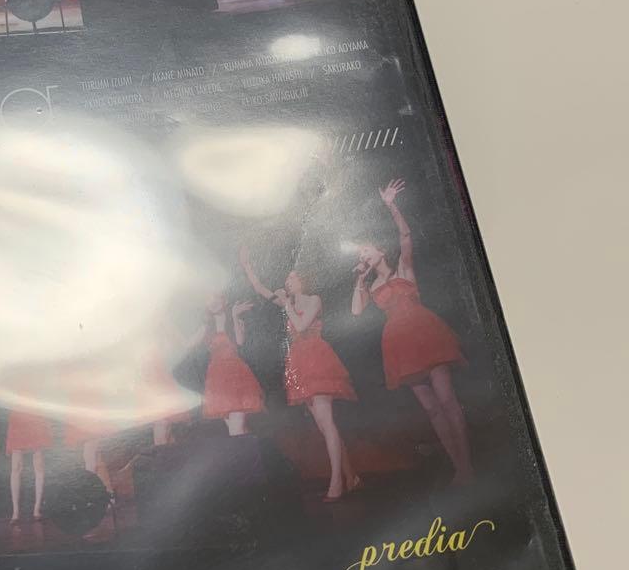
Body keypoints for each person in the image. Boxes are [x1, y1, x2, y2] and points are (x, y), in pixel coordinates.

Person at [351, 179, 472, 484]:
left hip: (424, 332)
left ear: (380, 250)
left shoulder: (403, 269)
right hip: (399, 344)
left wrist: (391, 206)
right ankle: (458, 466)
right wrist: (359, 280)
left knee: (446, 399)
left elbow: (405, 236)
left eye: (366, 250)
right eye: (360, 254)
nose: (363, 255)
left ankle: (467, 464)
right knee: (431, 409)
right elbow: (356, 311)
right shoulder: (371, 285)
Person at [240, 250, 361, 500]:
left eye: (293, 278)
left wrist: (286, 305)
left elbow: (302, 326)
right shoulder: (289, 303)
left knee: (327, 423)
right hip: (299, 364)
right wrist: (247, 267)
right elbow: (261, 289)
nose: (288, 281)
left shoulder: (313, 299)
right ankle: (351, 477)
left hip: (318, 360)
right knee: (324, 426)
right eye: (287, 279)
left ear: (303, 281)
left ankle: (337, 483)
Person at [198, 292, 264, 435]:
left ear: (224, 300)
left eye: (216, 298)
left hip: (235, 376)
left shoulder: (234, 319)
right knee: (238, 430)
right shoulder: (207, 327)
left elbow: (240, 341)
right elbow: (186, 345)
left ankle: (247, 448)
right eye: (208, 299)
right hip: (217, 381)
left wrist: (234, 316)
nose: (212, 302)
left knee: (236, 429)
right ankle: (252, 448)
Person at [5, 388, 53, 522]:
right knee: (16, 467)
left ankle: (37, 508)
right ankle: (15, 511)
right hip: (18, 416)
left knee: (39, 465)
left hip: (35, 412)